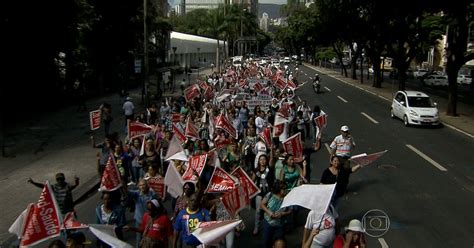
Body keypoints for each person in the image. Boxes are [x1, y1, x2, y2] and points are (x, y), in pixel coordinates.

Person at [260, 180, 291, 248]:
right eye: (284, 188)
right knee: (266, 242)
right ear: (279, 189)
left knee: (279, 244)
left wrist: (283, 213)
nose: (285, 190)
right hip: (268, 223)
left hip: (280, 224)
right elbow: (262, 204)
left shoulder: (287, 198)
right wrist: (270, 213)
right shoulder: (270, 195)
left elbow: (290, 210)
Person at [127, 179, 158, 247]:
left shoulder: (153, 194)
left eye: (143, 185)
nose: (142, 187)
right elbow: (127, 192)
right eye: (140, 185)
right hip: (139, 220)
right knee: (139, 239)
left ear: (147, 186)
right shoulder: (136, 194)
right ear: (138, 186)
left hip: (150, 220)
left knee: (150, 239)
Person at [329, 125, 356, 195]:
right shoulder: (337, 138)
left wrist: (350, 140)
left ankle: (344, 187)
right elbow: (332, 148)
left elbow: (353, 147)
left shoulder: (350, 138)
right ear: (341, 132)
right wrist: (331, 158)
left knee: (346, 173)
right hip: (339, 157)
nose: (345, 133)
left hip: (346, 158)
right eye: (344, 132)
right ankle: (334, 186)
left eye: (346, 132)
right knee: (337, 172)